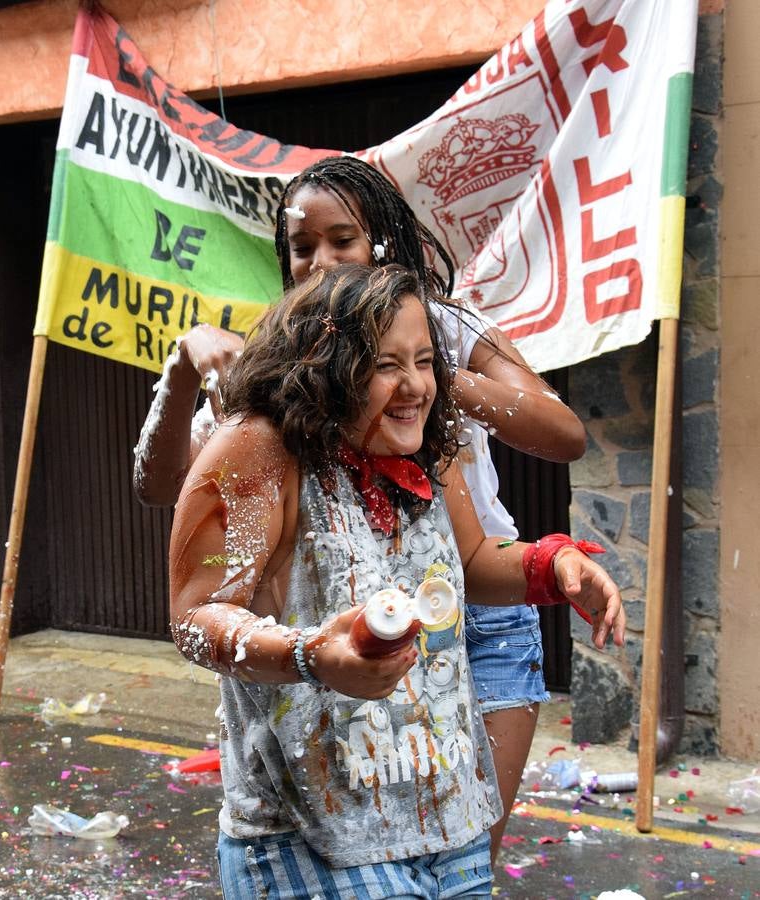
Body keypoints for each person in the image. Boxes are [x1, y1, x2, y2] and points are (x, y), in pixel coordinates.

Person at [133, 155, 586, 861]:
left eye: (342, 240)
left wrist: (411, 367)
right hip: (349, 628)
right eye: (302, 247)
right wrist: (187, 364)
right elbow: (168, 500)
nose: (321, 261)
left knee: (460, 852)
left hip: (485, 610)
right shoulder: (280, 367)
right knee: (362, 845)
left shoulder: (446, 336)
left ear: (382, 241)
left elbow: (563, 436)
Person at [169, 263, 624, 899]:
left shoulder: (428, 449)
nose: (416, 386)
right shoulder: (256, 450)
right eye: (386, 365)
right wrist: (312, 655)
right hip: (310, 845)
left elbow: (468, 563)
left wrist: (552, 567)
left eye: (425, 361)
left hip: (448, 823)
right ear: (326, 365)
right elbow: (197, 618)